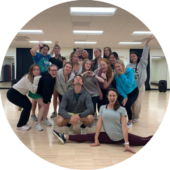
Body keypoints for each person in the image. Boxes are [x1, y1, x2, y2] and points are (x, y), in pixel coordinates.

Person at [53, 88, 154, 154]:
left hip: (120, 137)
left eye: (114, 95)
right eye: (110, 95)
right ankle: (65, 137)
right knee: (88, 137)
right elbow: (99, 124)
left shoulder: (121, 109)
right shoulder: (102, 108)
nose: (112, 97)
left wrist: (126, 143)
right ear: (107, 97)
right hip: (108, 136)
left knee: (144, 141)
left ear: (117, 96)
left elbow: (124, 127)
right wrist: (96, 139)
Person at [6, 64, 41, 130]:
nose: (36, 71)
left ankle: (24, 123)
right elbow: (33, 90)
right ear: (31, 71)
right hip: (13, 93)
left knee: (29, 105)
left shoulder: (33, 77)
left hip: (20, 94)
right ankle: (20, 125)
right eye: (34, 69)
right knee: (27, 106)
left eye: (38, 69)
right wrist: (37, 79)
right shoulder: (28, 78)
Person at [126, 36, 152, 123]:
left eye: (134, 56)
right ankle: (131, 115)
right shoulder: (128, 66)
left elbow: (144, 56)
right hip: (131, 87)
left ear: (137, 57)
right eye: (131, 56)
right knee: (132, 103)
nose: (132, 57)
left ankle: (136, 117)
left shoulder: (142, 64)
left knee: (137, 103)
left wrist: (146, 45)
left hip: (140, 87)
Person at [29, 42, 51, 121]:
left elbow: (51, 54)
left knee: (40, 98)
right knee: (35, 98)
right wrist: (39, 45)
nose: (45, 51)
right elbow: (32, 51)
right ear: (41, 49)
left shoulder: (48, 56)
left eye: (47, 50)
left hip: (44, 80)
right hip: (36, 79)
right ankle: (33, 114)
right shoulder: (37, 55)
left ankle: (40, 114)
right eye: (44, 49)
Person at [114, 60, 139, 129]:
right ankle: (121, 121)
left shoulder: (130, 71)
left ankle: (130, 122)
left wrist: (122, 75)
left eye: (118, 66)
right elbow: (119, 87)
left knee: (127, 106)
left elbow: (129, 84)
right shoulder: (116, 75)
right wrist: (125, 96)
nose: (117, 68)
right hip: (125, 93)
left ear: (123, 66)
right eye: (115, 67)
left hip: (133, 91)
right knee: (122, 105)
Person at [32, 64, 57, 131]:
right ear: (49, 71)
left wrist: (48, 100)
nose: (54, 72)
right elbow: (46, 90)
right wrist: (46, 101)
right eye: (52, 70)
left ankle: (44, 119)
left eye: (55, 70)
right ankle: (38, 123)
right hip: (35, 93)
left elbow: (49, 90)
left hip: (42, 93)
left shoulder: (52, 78)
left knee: (47, 103)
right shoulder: (47, 79)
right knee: (44, 105)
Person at [49, 42, 66, 118]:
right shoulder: (51, 59)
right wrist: (54, 46)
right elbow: (49, 55)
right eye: (55, 48)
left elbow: (64, 68)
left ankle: (61, 111)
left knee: (60, 96)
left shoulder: (63, 58)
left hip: (60, 78)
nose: (56, 49)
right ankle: (54, 111)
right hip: (53, 78)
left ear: (60, 50)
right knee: (55, 96)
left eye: (58, 48)